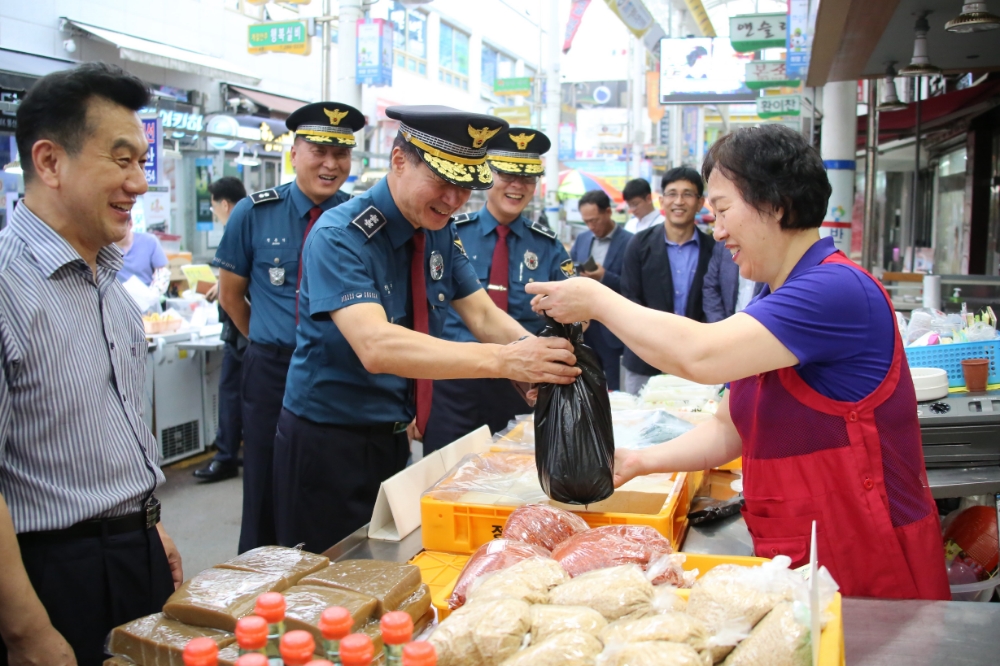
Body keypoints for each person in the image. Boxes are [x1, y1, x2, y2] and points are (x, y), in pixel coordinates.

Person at [526, 124, 949, 600]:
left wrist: (597, 300)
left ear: (777, 203)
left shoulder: (835, 291)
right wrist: (639, 461)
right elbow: (732, 426)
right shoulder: (776, 296)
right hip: (808, 555)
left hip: (869, 559)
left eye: (723, 209)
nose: (717, 229)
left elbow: (700, 355)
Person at [275, 106, 580, 553]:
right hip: (328, 440)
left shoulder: (438, 230)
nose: (455, 199)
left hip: (392, 435)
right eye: (444, 182)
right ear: (399, 160)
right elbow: (376, 345)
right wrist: (505, 360)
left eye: (467, 187)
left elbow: (481, 314)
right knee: (327, 578)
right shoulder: (340, 235)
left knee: (385, 564)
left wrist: (537, 359)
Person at [0, 62, 183, 666]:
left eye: (142, 163)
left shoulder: (107, 276)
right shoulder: (8, 285)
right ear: (50, 162)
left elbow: (116, 426)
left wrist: (148, 525)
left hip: (135, 553)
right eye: (122, 159)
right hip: (53, 575)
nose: (139, 183)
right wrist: (27, 631)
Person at [213, 101, 364, 553]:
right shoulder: (254, 212)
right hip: (272, 369)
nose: (330, 164)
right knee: (263, 474)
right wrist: (265, 339)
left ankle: (326, 572)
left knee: (328, 476)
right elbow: (230, 296)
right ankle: (260, 582)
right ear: (294, 151)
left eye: (341, 154)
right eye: (319, 150)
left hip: (337, 369)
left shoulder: (358, 218)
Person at [422, 128, 575, 454]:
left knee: (513, 480)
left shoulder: (547, 246)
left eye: (528, 178)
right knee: (444, 477)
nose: (517, 186)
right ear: (488, 174)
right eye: (506, 174)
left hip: (519, 387)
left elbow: (575, 319)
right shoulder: (447, 233)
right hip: (454, 383)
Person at [619, 167, 714, 395]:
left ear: (700, 202)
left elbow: (715, 304)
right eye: (672, 194)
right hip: (645, 357)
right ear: (661, 200)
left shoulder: (714, 250)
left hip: (696, 360)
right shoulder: (638, 245)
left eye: (687, 194)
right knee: (639, 425)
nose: (678, 201)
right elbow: (630, 300)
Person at [194, 176, 248, 483]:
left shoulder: (239, 225)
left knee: (231, 393)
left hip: (242, 333)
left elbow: (236, 289)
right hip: (247, 330)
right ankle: (232, 452)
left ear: (223, 204)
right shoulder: (257, 220)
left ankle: (226, 455)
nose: (216, 212)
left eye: (214, 207)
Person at [570, 190, 632, 391]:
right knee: (586, 382)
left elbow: (632, 286)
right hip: (585, 326)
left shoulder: (631, 242)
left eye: (594, 220)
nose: (591, 226)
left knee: (613, 385)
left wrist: (604, 277)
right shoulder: (582, 239)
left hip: (612, 327)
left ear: (608, 212)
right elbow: (569, 271)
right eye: (586, 221)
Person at [703, 238, 764, 323]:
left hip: (763, 330)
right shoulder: (723, 246)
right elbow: (710, 287)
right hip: (724, 328)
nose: (717, 234)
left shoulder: (773, 249)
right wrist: (721, 327)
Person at [115, 218, 170, 295]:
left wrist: (153, 293)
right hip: (117, 300)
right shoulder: (104, 248)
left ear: (130, 224)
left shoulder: (149, 241)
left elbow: (161, 273)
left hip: (147, 298)